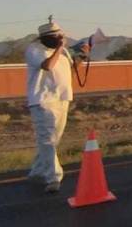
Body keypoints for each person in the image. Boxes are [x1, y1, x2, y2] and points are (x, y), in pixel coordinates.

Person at [25, 21, 90, 193]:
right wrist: (60, 48)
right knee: (47, 140)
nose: (61, 40)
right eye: (57, 37)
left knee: (53, 140)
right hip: (43, 101)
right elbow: (47, 66)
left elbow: (71, 69)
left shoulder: (63, 53)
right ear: (46, 38)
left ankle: (37, 172)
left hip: (62, 99)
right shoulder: (34, 50)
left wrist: (81, 57)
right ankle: (54, 177)